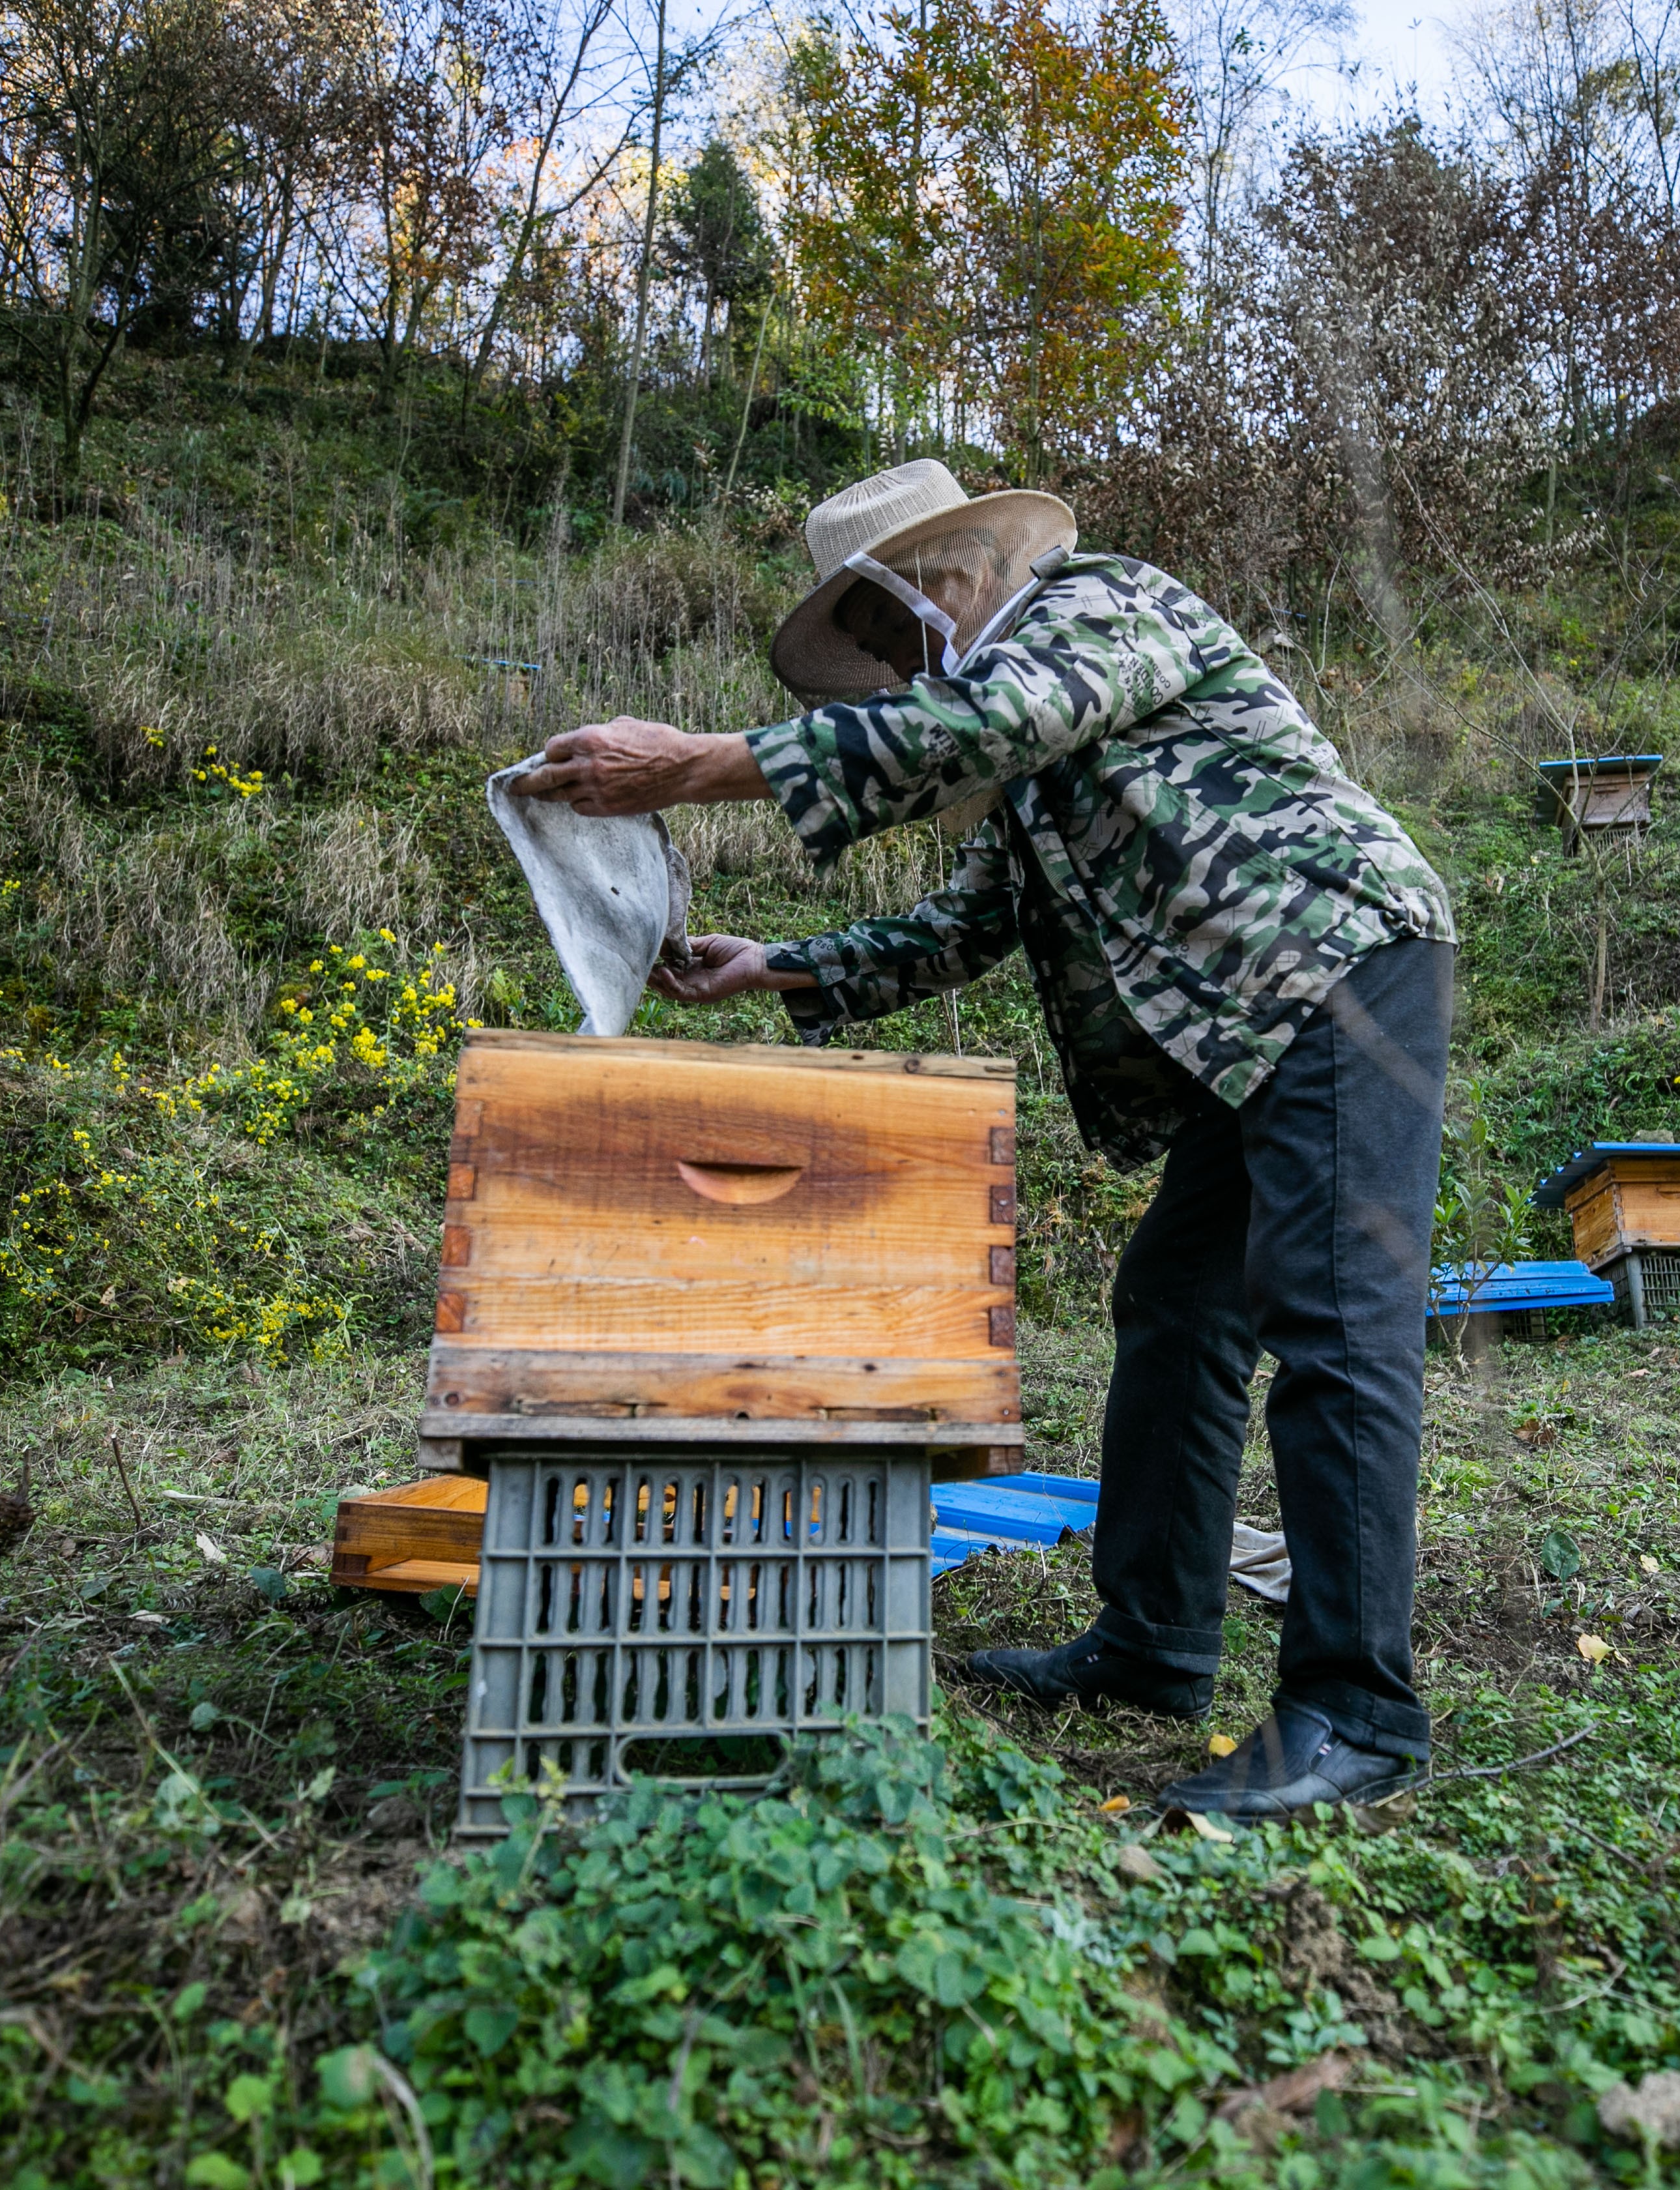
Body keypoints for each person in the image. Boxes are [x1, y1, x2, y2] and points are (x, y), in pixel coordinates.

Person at [512, 460, 1454, 1817]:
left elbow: (991, 714)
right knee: (1179, 1309)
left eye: (893, 637)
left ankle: (1356, 1718)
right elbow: (968, 924)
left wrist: (694, 766)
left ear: (948, 582)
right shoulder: (1027, 774)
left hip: (1338, 970)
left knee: (1334, 1322)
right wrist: (777, 967)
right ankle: (1154, 1646)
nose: (892, 670)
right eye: (880, 654)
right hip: (1247, 1027)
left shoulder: (1107, 610)